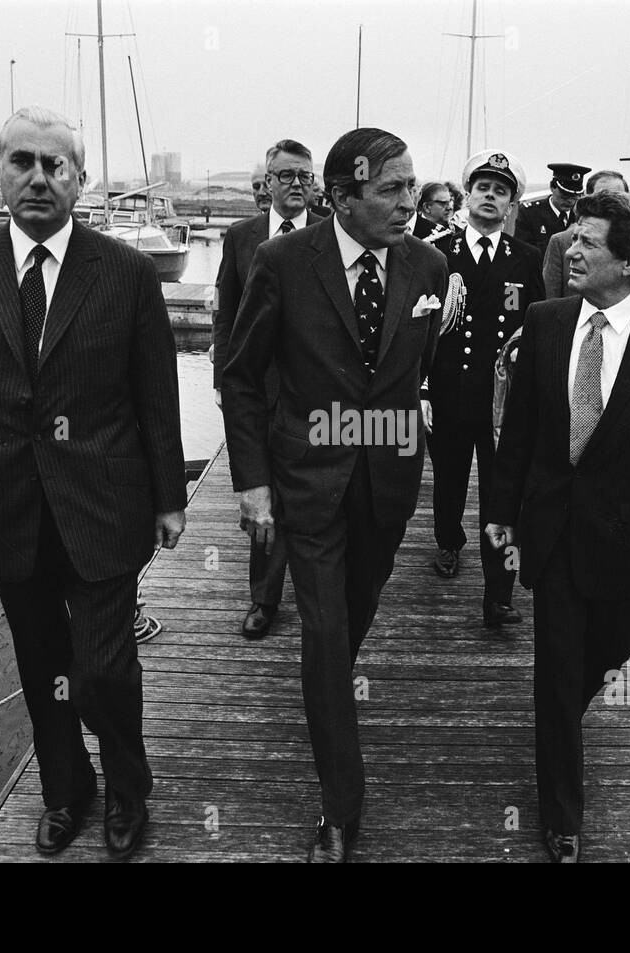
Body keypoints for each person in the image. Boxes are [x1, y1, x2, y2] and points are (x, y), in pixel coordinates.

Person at [0, 106, 187, 860]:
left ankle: (126, 784)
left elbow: (156, 398)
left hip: (105, 508)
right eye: (23, 161)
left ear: (81, 180)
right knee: (42, 665)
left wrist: (170, 499)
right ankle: (66, 788)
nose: (39, 178)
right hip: (9, 509)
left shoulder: (126, 274)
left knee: (101, 668)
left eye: (56, 166)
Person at [221, 126, 448, 862]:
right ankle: (341, 807)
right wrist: (253, 481)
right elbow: (242, 375)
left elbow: (416, 372)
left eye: (412, 186)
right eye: (391, 189)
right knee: (323, 638)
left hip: (387, 488)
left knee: (351, 623)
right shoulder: (283, 262)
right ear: (340, 198)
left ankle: (324, 696)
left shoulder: (430, 265)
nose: (409, 202)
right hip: (307, 487)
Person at [484, 190, 630, 862]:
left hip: (628, 533)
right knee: (556, 670)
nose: (572, 249)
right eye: (572, 236)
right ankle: (562, 814)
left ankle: (559, 718)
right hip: (553, 526)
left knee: (619, 637)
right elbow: (519, 433)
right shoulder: (548, 320)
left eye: (588, 240)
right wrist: (500, 513)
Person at [211, 139, 327, 638]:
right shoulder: (241, 238)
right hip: (258, 389)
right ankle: (264, 598)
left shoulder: (331, 234)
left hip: (314, 393)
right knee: (262, 496)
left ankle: (319, 593)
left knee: (315, 495)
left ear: (315, 182)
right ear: (267, 182)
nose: (295, 184)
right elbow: (226, 313)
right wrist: (224, 379)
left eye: (304, 176)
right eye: (285, 176)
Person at [426, 150, 544, 627]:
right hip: (450, 391)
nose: (490, 196)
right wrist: (422, 390)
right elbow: (421, 325)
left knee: (503, 493)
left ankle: (499, 591)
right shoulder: (437, 252)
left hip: (503, 404)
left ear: (512, 202)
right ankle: (449, 543)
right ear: (467, 195)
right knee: (450, 479)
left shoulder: (526, 259)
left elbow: (536, 328)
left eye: (501, 190)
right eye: (482, 187)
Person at [543, 170, 630, 304]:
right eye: (603, 195)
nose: (571, 252)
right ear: (588, 196)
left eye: (619, 196)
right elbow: (550, 296)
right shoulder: (560, 242)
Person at [513, 162, 589, 253]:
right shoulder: (530, 214)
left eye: (574, 196)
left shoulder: (581, 217)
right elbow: (522, 252)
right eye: (565, 195)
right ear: (552, 187)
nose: (570, 201)